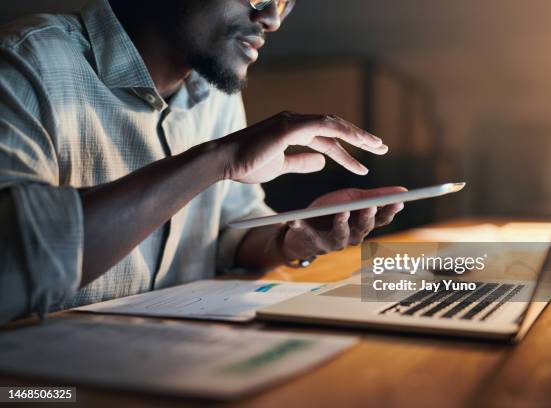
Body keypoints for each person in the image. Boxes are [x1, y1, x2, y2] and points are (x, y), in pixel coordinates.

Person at [0, 0, 406, 325]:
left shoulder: (216, 95)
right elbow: (13, 268)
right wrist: (218, 159)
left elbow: (230, 238)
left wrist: (294, 239)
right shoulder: (27, 61)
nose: (272, 19)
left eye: (285, 3)